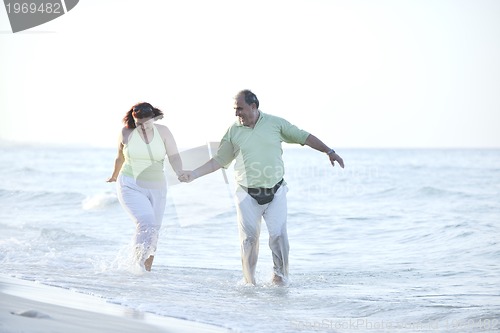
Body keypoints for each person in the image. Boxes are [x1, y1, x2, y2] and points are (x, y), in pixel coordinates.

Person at [178, 90, 344, 285]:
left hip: (276, 191)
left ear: (254, 106)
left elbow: (304, 137)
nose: (236, 113)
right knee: (249, 240)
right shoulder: (233, 131)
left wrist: (328, 151)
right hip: (246, 193)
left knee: (279, 237)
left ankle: (280, 280)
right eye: (235, 109)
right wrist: (194, 174)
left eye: (240, 108)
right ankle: (249, 283)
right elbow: (219, 160)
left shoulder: (276, 124)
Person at [107, 102, 183, 271]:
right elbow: (119, 157)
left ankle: (145, 272)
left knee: (153, 230)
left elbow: (174, 156)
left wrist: (180, 172)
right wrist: (113, 175)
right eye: (138, 123)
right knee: (146, 224)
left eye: (146, 123)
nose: (142, 127)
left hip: (157, 186)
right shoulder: (125, 132)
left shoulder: (163, 132)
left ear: (153, 118)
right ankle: (136, 266)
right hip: (130, 184)